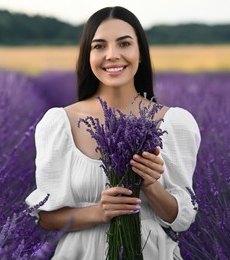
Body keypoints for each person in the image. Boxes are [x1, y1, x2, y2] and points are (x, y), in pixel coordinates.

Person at [26, 6, 201, 260]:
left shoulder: (176, 123)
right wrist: (99, 212)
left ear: (140, 53)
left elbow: (182, 218)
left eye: (124, 43)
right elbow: (44, 215)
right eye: (99, 46)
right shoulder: (59, 123)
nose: (112, 55)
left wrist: (151, 186)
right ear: (88, 56)